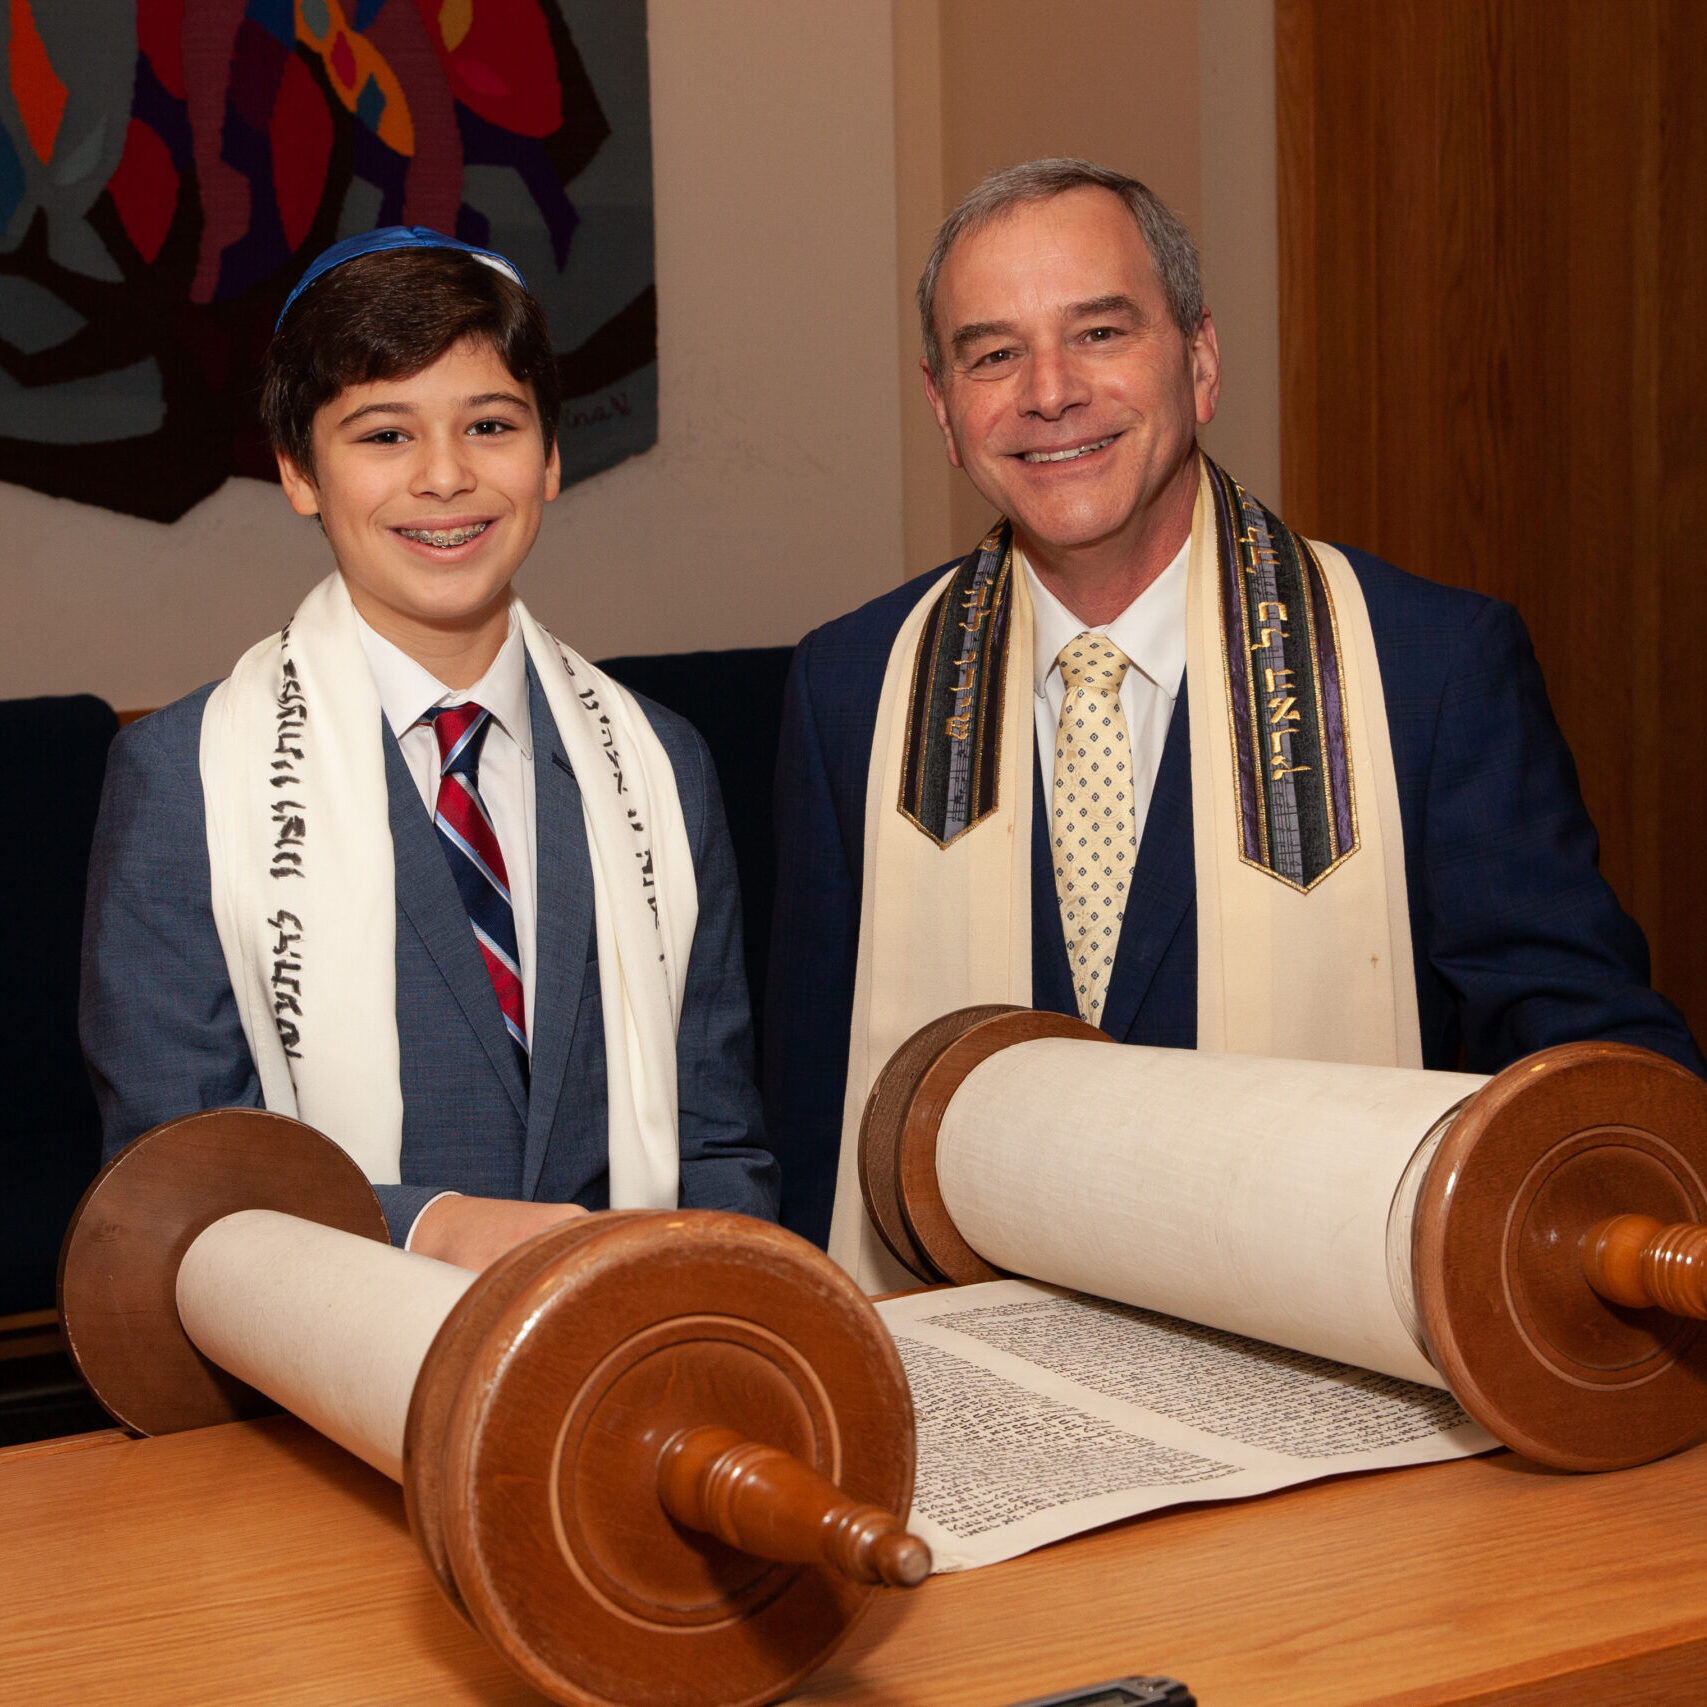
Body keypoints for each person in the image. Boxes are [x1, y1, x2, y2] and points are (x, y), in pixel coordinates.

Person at [764, 159, 1704, 1289]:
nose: (1048, 392)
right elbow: (811, 1105)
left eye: (1100, 332)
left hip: (1325, 1362)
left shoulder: (1430, 670)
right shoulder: (852, 690)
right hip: (963, 1369)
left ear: (1200, 360)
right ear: (944, 410)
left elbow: (1593, 1072)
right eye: (994, 354)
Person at [82, 228, 776, 1268]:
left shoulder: (659, 764)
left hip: (625, 1335)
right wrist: (426, 1228)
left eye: (489, 425)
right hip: (331, 1349)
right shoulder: (186, 782)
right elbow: (172, 1180)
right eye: (384, 435)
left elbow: (717, 1141)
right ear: (299, 471)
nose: (445, 477)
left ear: (549, 456)